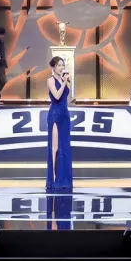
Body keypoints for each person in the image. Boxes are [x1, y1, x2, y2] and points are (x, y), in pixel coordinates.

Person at [46, 56, 73, 192]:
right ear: (53, 67)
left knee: (65, 146)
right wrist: (64, 83)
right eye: (59, 65)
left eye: (63, 65)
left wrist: (66, 83)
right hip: (55, 115)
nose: (62, 68)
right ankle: (54, 180)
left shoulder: (63, 80)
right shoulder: (50, 80)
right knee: (55, 148)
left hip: (64, 115)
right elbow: (56, 96)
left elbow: (67, 98)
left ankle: (64, 179)